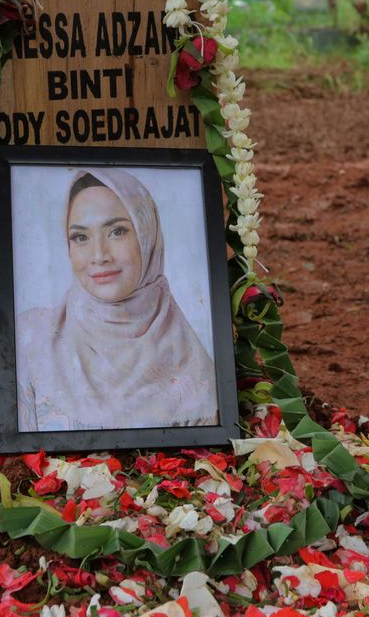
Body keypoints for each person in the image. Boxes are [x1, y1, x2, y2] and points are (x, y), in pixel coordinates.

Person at [15, 169, 219, 432]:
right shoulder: (32, 340)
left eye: (117, 231)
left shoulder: (193, 368)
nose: (99, 255)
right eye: (81, 237)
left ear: (148, 237)